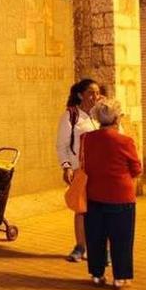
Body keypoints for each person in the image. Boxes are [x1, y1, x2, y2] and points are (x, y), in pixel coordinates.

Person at [81, 99, 142, 290]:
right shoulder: (125, 141)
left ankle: (97, 275)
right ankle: (120, 278)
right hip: (121, 197)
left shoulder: (87, 139)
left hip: (93, 195)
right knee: (121, 238)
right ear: (116, 118)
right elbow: (136, 169)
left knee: (95, 237)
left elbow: (84, 164)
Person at [56, 78, 101, 262]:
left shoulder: (101, 115)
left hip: (101, 170)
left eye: (97, 92)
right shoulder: (71, 115)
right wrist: (66, 166)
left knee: (100, 210)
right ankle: (80, 247)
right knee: (81, 209)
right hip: (80, 169)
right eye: (91, 92)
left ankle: (99, 249)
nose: (95, 96)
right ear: (80, 94)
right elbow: (61, 145)